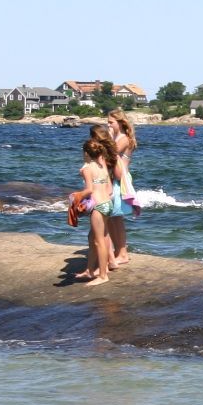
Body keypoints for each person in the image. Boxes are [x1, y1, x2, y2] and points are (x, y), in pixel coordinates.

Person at [68, 137, 119, 285]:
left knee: (99, 241)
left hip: (98, 207)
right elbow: (109, 189)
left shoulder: (87, 169)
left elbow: (89, 190)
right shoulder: (102, 166)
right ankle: (90, 270)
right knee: (93, 238)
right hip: (108, 204)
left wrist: (76, 196)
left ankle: (103, 275)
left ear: (86, 153)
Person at [105, 111, 137, 262]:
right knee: (112, 217)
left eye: (111, 122)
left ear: (120, 123)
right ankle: (118, 250)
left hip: (120, 180)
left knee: (116, 217)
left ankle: (122, 253)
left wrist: (108, 136)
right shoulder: (117, 137)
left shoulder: (123, 138)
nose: (108, 125)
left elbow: (109, 153)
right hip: (114, 179)